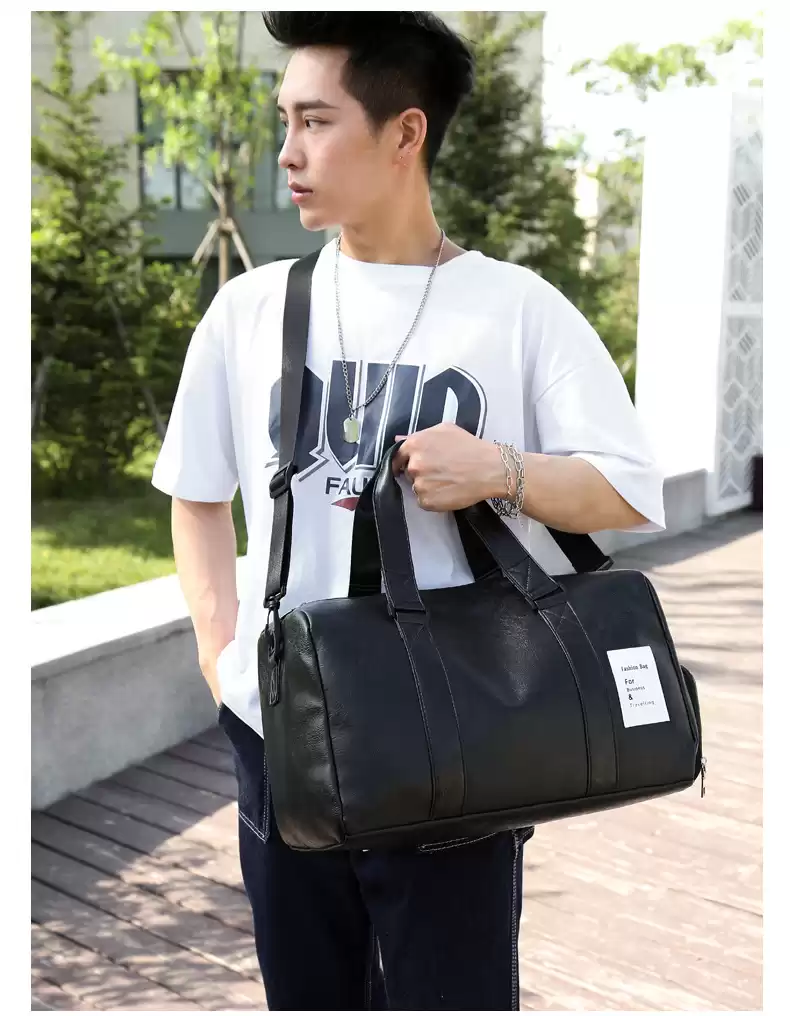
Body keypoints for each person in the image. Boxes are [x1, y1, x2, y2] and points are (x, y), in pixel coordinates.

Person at [152, 12, 666, 1011]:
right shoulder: (250, 310)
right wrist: (221, 662)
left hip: (456, 732)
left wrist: (500, 468)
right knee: (307, 994)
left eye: (315, 121)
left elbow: (628, 491)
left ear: (405, 133)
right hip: (286, 727)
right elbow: (197, 494)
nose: (287, 152)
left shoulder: (516, 308)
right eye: (284, 120)